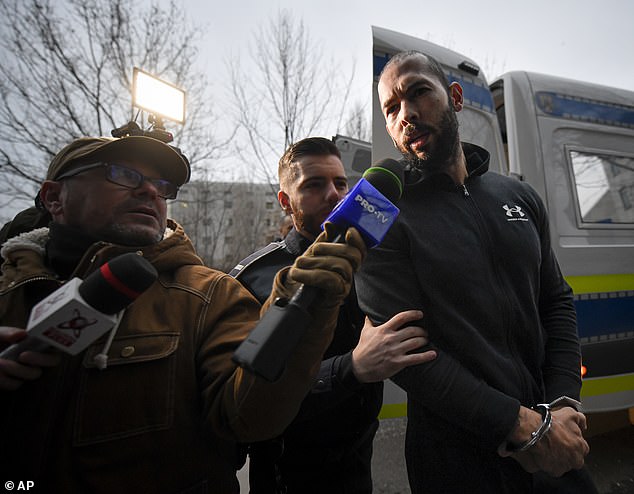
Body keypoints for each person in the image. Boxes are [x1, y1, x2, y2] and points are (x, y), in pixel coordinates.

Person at [0, 134, 366, 493]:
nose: (150, 192)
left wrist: (303, 313)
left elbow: (248, 415)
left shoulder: (211, 295)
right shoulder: (7, 292)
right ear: (53, 197)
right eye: (123, 174)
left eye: (161, 185)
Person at [355, 51, 598, 493]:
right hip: (457, 461)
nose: (406, 114)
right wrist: (518, 424)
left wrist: (562, 405)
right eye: (391, 109)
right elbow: (410, 357)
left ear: (455, 97)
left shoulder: (519, 196)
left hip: (552, 442)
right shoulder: (380, 214)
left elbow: (556, 301)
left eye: (418, 93)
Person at [230, 137, 437, 493]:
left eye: (341, 183)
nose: (334, 194)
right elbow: (246, 400)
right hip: (284, 480)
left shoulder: (372, 265)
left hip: (359, 472)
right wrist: (352, 368)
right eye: (313, 185)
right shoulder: (253, 279)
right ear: (285, 201)